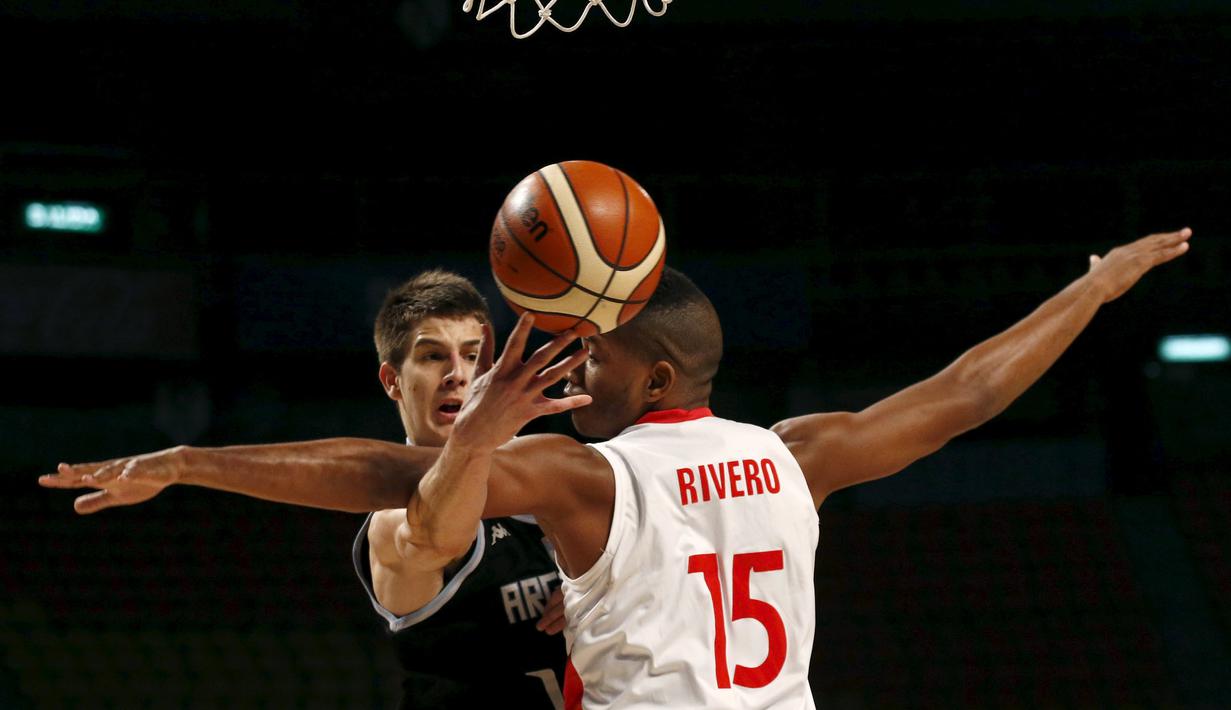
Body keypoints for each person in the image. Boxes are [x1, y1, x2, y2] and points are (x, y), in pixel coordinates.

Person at [42, 228, 1192, 708]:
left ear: (653, 379)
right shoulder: (795, 453)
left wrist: (188, 459)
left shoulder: (587, 475)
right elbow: (966, 391)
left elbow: (386, 470)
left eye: (591, 355)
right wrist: (1090, 289)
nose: (570, 367)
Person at [358, 269, 567, 708]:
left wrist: (605, 591)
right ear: (392, 381)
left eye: (472, 356)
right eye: (433, 356)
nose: (457, 373)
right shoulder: (395, 520)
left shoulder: (548, 472)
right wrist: (475, 441)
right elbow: (435, 531)